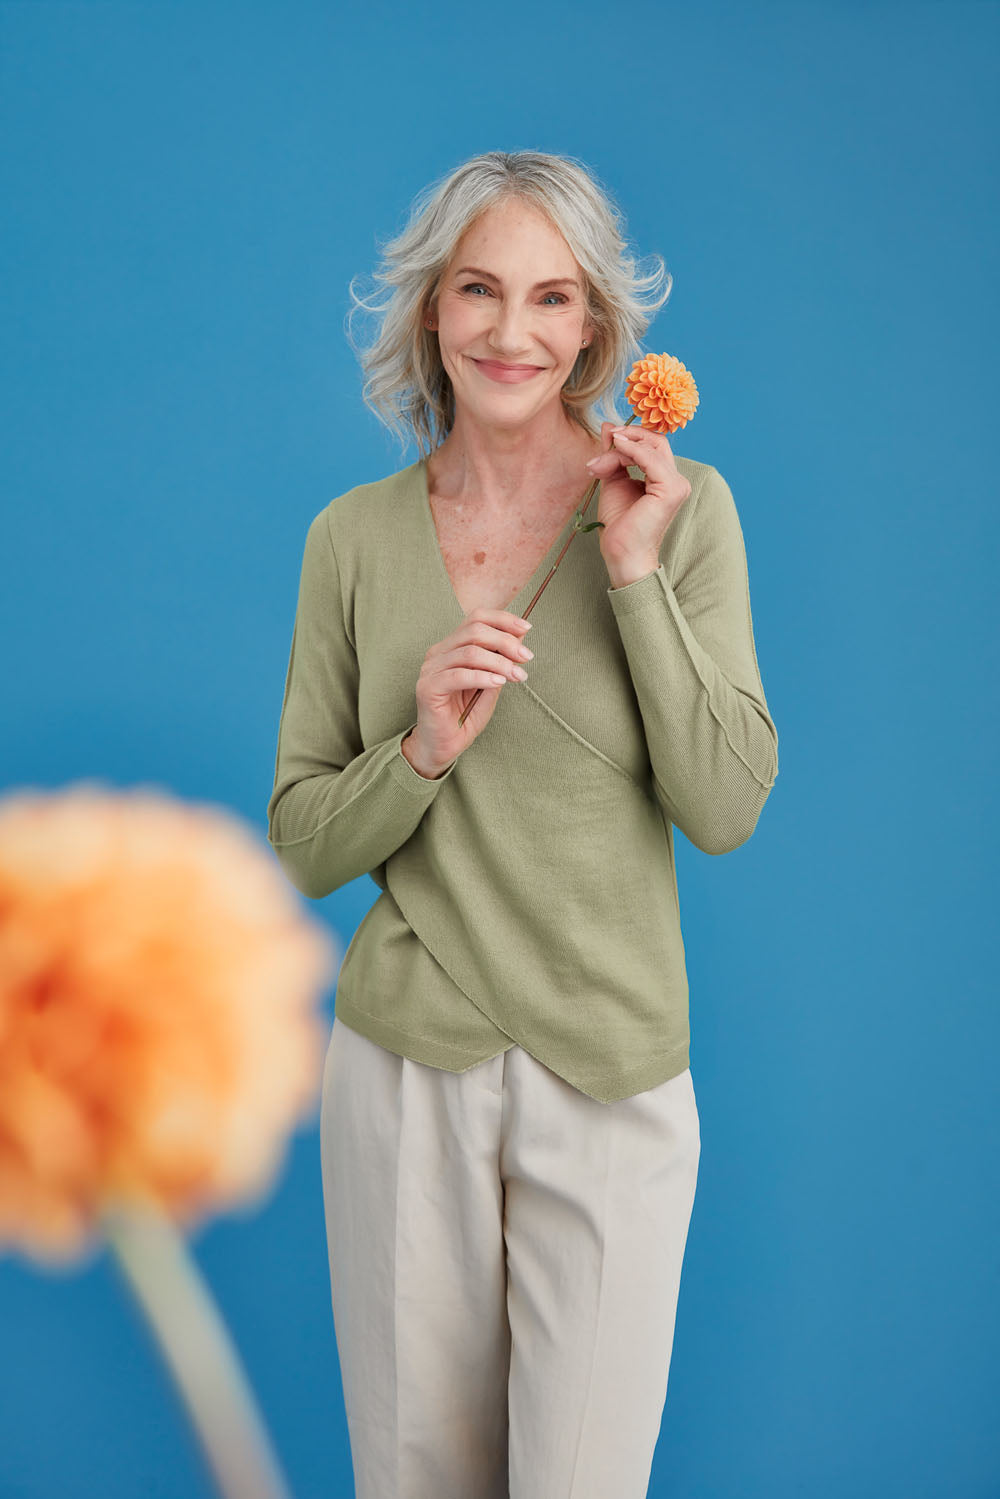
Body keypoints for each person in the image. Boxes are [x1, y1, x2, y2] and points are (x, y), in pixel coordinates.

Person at [266, 149, 779, 1499]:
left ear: (595, 328)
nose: (512, 331)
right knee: (413, 1480)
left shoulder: (684, 515)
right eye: (480, 290)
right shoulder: (351, 541)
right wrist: (419, 751)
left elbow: (723, 806)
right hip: (402, 1069)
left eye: (552, 300)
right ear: (432, 309)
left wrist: (632, 574)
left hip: (609, 1066)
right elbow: (306, 841)